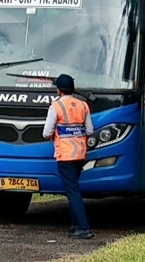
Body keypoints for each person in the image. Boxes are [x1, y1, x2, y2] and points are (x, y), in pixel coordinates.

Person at [42, 74, 95, 239]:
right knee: (72, 189)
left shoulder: (55, 106)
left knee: (73, 192)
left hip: (65, 155)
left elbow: (46, 133)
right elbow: (90, 130)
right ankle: (75, 226)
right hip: (80, 154)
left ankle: (84, 228)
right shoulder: (83, 105)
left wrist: (57, 134)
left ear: (59, 90)